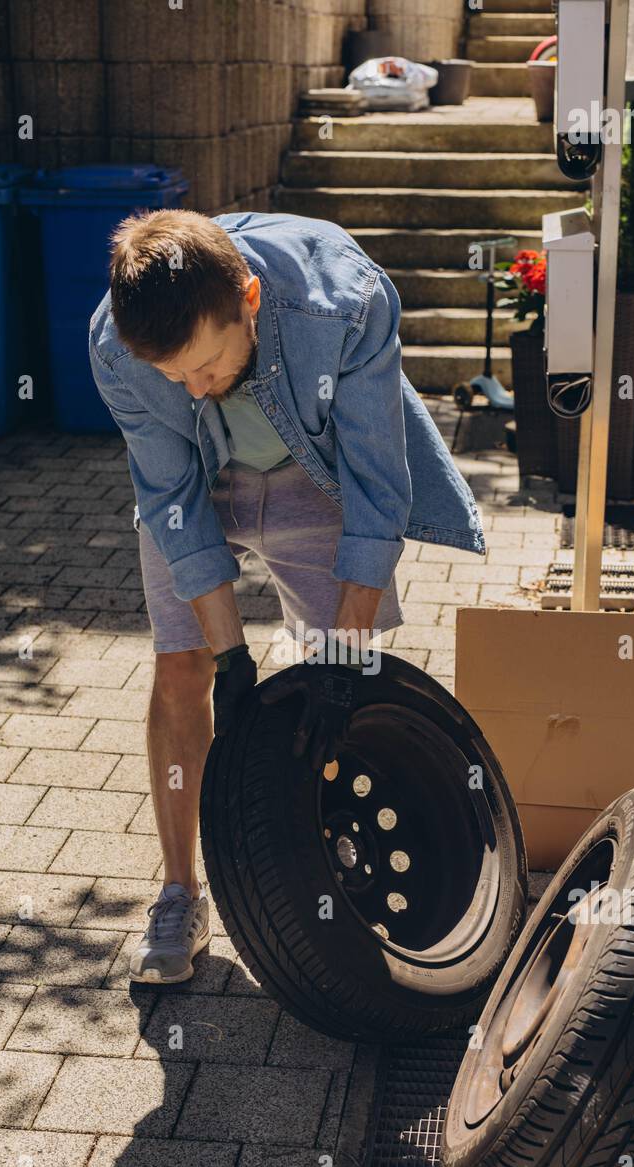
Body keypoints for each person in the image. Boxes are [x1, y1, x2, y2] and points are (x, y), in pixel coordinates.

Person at [89, 208, 484, 984]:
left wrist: (343, 651)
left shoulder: (346, 299)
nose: (196, 386)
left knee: (341, 674)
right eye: (178, 378)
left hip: (318, 472)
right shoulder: (119, 345)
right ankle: (178, 894)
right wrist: (231, 657)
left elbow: (377, 487)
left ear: (251, 299)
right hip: (202, 480)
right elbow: (171, 499)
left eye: (207, 364)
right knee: (182, 669)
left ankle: (332, 875)